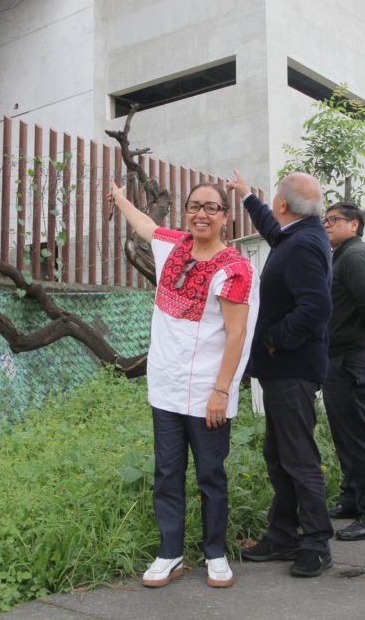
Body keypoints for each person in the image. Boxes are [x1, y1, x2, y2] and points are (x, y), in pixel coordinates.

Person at [108, 179, 259, 590]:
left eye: (211, 208)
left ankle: (215, 553)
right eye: (195, 206)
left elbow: (236, 333)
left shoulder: (235, 268)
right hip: (167, 388)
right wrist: (121, 199)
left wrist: (222, 391)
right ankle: (169, 552)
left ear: (225, 217)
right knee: (168, 472)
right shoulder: (173, 245)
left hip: (209, 393)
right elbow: (144, 226)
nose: (201, 214)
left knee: (211, 475)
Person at [225, 171, 335, 578]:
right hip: (283, 370)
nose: (273, 205)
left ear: (284, 204)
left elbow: (316, 308)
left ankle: (317, 542)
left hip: (291, 369)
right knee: (278, 455)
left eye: (273, 199)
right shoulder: (298, 235)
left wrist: (273, 339)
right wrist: (248, 198)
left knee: (298, 458)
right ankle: (284, 534)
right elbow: (274, 231)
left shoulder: (305, 245)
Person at [320, 202, 365, 542]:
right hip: (337, 358)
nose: (328, 225)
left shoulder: (356, 256)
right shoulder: (340, 256)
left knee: (360, 437)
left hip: (351, 359)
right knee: (344, 435)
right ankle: (351, 499)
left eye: (335, 220)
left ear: (355, 225)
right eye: (326, 220)